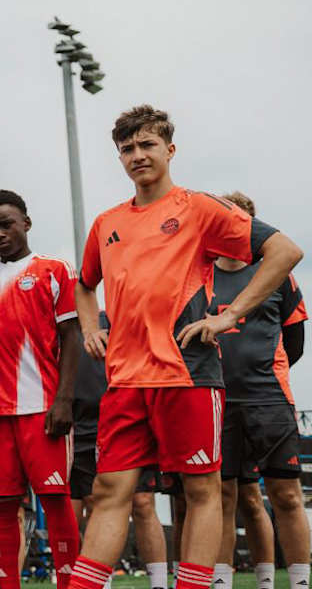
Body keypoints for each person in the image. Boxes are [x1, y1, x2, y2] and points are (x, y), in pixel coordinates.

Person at [69, 106, 304, 589]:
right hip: (125, 380)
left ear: (169, 150)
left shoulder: (198, 207)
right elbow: (84, 283)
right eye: (127, 149)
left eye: (147, 145)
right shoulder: (106, 222)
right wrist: (91, 328)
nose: (137, 156)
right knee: (109, 488)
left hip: (188, 374)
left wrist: (231, 314)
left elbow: (284, 251)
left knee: (203, 490)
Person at [0, 190, 82, 589]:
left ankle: (69, 582)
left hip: (41, 407)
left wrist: (64, 398)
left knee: (55, 500)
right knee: (0, 505)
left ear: (26, 222)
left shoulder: (53, 269)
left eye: (7, 224)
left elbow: (71, 335)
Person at [209, 192, 309, 589]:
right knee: (220, 497)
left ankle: (297, 581)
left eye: (241, 219)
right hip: (214, 400)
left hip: (269, 400)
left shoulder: (277, 273)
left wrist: (265, 372)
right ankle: (221, 581)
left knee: (285, 496)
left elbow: (296, 342)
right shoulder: (197, 273)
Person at [69, 313, 170, 589]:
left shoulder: (121, 319)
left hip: (127, 419)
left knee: (143, 503)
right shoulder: (59, 328)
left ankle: (159, 583)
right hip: (78, 428)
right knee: (88, 506)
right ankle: (100, 582)